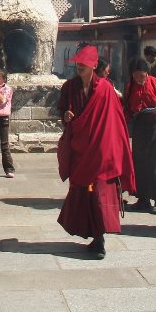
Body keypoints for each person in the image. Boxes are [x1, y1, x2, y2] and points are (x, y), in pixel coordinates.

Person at [57, 44, 134, 259]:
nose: (79, 67)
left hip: (101, 151)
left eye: (84, 65)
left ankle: (100, 239)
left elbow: (115, 120)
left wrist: (116, 148)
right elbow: (62, 110)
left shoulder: (105, 89)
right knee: (85, 194)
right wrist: (67, 116)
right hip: (80, 150)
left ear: (93, 66)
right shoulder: (70, 87)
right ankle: (93, 235)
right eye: (78, 64)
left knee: (99, 193)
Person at [123, 56, 156, 214]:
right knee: (139, 162)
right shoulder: (130, 86)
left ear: (147, 73)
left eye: (142, 75)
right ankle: (142, 199)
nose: (140, 78)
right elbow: (127, 107)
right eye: (137, 75)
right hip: (140, 127)